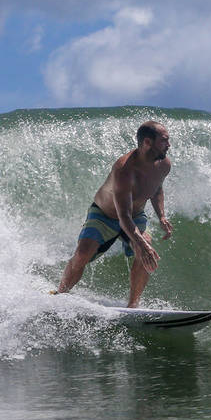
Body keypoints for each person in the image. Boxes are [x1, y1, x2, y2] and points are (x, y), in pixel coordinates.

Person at [52, 121, 174, 307]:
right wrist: (140, 243)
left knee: (145, 249)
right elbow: (123, 215)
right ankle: (60, 294)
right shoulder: (124, 169)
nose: (169, 145)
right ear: (148, 142)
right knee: (82, 254)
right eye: (164, 140)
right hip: (104, 215)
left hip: (135, 214)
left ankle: (133, 305)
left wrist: (162, 216)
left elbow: (156, 189)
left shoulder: (164, 164)